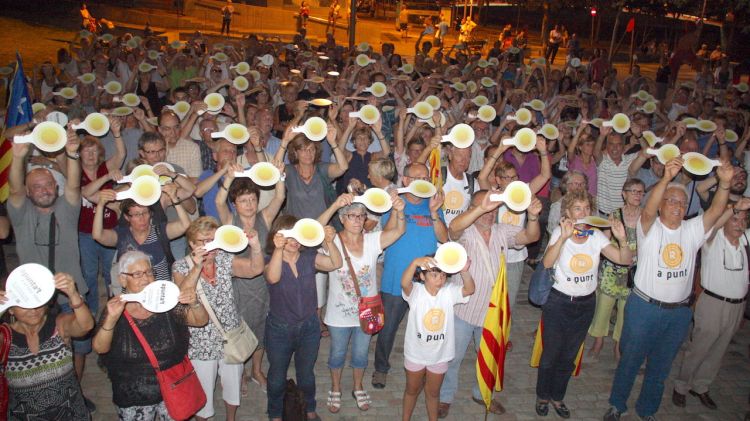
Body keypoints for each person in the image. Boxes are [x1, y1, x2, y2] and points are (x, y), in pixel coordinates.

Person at [603, 158, 733, 421]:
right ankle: (617, 405)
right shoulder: (648, 227)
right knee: (630, 360)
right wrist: (665, 180)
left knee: (661, 368)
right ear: (661, 204)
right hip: (644, 308)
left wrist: (726, 183)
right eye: (671, 200)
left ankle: (647, 410)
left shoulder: (693, 229)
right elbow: (648, 211)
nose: (678, 205)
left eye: (682, 203)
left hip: (678, 313)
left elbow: (716, 210)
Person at [7, 125, 95, 411]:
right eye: (37, 187)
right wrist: (18, 157)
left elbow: (74, 185)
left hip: (70, 294)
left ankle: (75, 391)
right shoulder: (20, 213)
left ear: (54, 188)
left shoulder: (67, 207)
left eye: (48, 185)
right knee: (38, 348)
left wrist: (71, 155)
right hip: (33, 297)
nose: (44, 190)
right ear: (29, 192)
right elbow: (15, 188)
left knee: (78, 345)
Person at [438, 190, 542, 418]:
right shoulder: (465, 232)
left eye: (493, 209)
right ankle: (445, 397)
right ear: (473, 209)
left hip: (492, 312)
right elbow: (452, 229)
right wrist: (480, 207)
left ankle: (483, 394)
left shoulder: (502, 231)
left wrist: (533, 217)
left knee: (489, 356)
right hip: (464, 310)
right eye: (485, 208)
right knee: (452, 357)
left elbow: (530, 237)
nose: (489, 213)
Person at [536, 190, 632, 419]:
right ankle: (542, 395)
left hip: (585, 304)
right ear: (568, 212)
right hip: (559, 303)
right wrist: (563, 238)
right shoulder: (561, 232)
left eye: (587, 208)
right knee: (551, 354)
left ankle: (558, 397)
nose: (584, 212)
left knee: (569, 356)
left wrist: (622, 239)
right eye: (578, 208)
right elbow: (547, 263)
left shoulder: (596, 236)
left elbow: (624, 260)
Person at [316, 191, 406, 413]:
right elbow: (314, 230)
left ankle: (358, 386)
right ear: (342, 218)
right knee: (337, 354)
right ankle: (335, 388)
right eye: (352, 216)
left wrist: (399, 211)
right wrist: (335, 203)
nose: (357, 220)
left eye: (361, 216)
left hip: (368, 311)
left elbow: (399, 230)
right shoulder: (332, 239)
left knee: (360, 354)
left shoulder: (373, 240)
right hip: (338, 314)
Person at [93, 250, 209, 420]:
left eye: (149, 272)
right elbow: (100, 348)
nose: (146, 279)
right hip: (133, 396)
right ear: (123, 279)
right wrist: (111, 319)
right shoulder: (115, 308)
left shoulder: (166, 301)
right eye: (137, 274)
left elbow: (200, 321)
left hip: (172, 388)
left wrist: (194, 303)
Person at [172, 217, 265, 421]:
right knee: (203, 395)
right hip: (200, 343)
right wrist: (196, 267)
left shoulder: (224, 258)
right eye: (203, 241)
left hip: (230, 336)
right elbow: (183, 295)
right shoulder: (180, 266)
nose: (210, 246)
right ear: (191, 244)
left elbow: (254, 269)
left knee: (232, 387)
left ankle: (230, 418)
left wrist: (256, 247)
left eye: (213, 240)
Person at [372, 163, 447, 390]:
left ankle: (425, 366)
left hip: (427, 282)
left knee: (427, 326)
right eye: (416, 178)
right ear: (404, 180)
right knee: (388, 328)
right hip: (396, 278)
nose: (423, 181)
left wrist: (434, 212)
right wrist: (397, 209)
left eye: (426, 177)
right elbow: (387, 235)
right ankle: (380, 369)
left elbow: (444, 237)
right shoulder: (394, 203)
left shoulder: (432, 204)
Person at [672, 198, 750, 410]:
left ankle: (701, 385)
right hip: (712, 303)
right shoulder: (712, 239)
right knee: (699, 347)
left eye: (743, 220)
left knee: (719, 349)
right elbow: (715, 223)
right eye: (735, 219)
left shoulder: (745, 241)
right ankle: (681, 386)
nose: (739, 224)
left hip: (736, 306)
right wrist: (733, 208)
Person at [264, 216, 343, 421]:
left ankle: (309, 410)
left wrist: (329, 241)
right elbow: (272, 277)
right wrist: (279, 250)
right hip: (279, 329)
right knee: (276, 377)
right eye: (289, 236)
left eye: (297, 235)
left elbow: (336, 263)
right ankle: (274, 414)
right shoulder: (270, 259)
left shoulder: (309, 257)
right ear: (278, 236)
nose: (294, 240)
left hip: (309, 326)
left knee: (306, 374)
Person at [216, 167, 286, 395]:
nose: (249, 204)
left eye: (252, 199)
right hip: (237, 285)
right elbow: (218, 202)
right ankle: (243, 372)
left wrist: (279, 176)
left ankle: (256, 370)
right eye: (243, 200)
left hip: (263, 285)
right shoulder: (230, 220)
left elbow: (280, 196)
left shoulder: (264, 218)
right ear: (235, 203)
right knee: (240, 329)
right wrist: (229, 178)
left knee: (261, 328)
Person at [1, 271, 94, 419]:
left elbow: (86, 326)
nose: (33, 310)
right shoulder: (4, 337)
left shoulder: (59, 324)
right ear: (10, 309)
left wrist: (73, 294)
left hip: (72, 415)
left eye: (38, 303)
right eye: (25, 304)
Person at [400, 254, 475, 421]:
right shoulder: (416, 292)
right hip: (416, 353)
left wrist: (464, 271)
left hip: (440, 355)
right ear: (422, 276)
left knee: (433, 393)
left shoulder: (448, 292)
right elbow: (404, 283)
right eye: (434, 274)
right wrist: (414, 262)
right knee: (412, 390)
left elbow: (469, 290)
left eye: (442, 275)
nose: (440, 279)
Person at [589, 179, 644, 359]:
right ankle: (598, 340)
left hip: (633, 272)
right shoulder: (614, 215)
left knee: (625, 310)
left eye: (640, 192)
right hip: (612, 270)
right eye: (633, 191)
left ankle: (618, 345)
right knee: (603, 306)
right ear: (624, 194)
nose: (637, 195)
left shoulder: (646, 217)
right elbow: (604, 241)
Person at [92, 188, 191, 281]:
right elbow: (97, 235)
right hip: (133, 293)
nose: (142, 218)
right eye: (136, 215)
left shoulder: (160, 231)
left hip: (161, 290)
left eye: (145, 213)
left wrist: (174, 199)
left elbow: (185, 225)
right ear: (127, 217)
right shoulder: (121, 235)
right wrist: (101, 205)